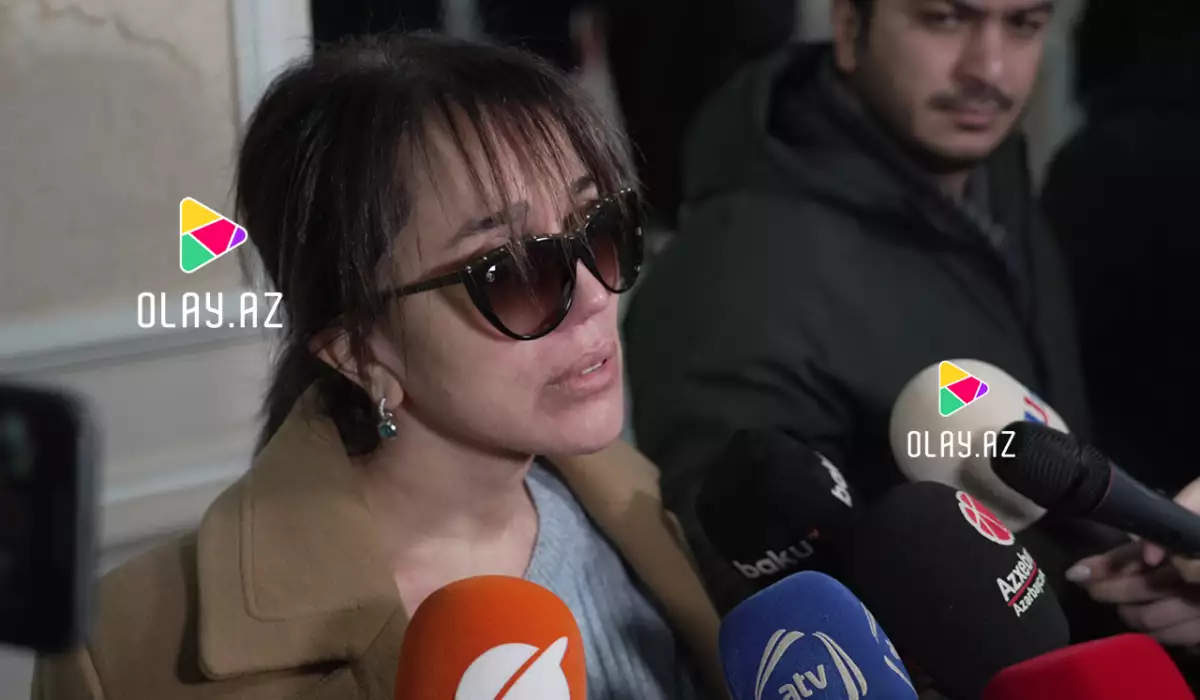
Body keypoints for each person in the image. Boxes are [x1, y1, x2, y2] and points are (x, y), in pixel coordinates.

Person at [31, 34, 725, 700]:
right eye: (514, 270)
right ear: (357, 350)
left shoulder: (636, 502)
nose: (597, 297)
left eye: (598, 229)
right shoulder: (128, 655)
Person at [622, 0, 1121, 638]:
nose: (989, 70)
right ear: (850, 27)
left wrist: (1132, 565)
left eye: (1023, 24)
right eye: (945, 19)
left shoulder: (990, 173)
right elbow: (775, 609)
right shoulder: (731, 275)